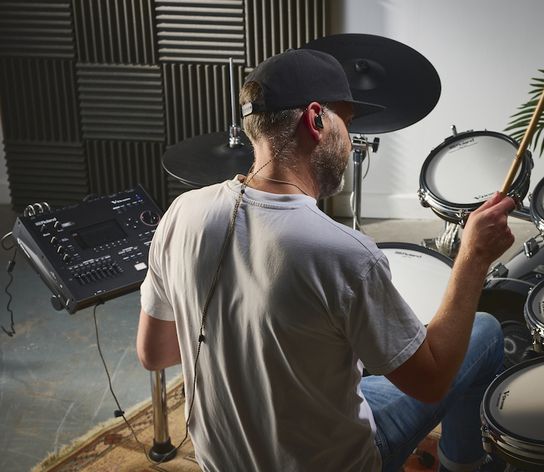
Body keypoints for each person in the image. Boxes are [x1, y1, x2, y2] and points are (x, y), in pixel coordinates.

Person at [135, 48, 516, 472]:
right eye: (348, 124)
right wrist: (474, 257)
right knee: (485, 332)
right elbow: (431, 381)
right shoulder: (343, 253)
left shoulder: (182, 213)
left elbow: (154, 352)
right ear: (316, 120)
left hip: (221, 462)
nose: (350, 141)